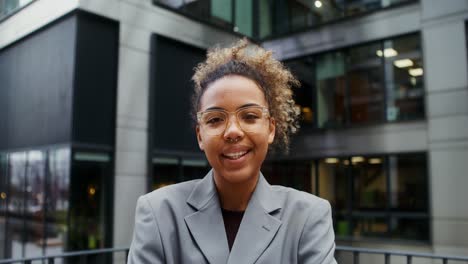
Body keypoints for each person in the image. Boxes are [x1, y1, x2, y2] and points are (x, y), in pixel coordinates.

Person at [127, 39, 337, 264]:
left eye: (249, 116)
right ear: (200, 136)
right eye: (215, 119)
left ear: (271, 129)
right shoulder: (158, 212)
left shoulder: (309, 216)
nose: (233, 131)